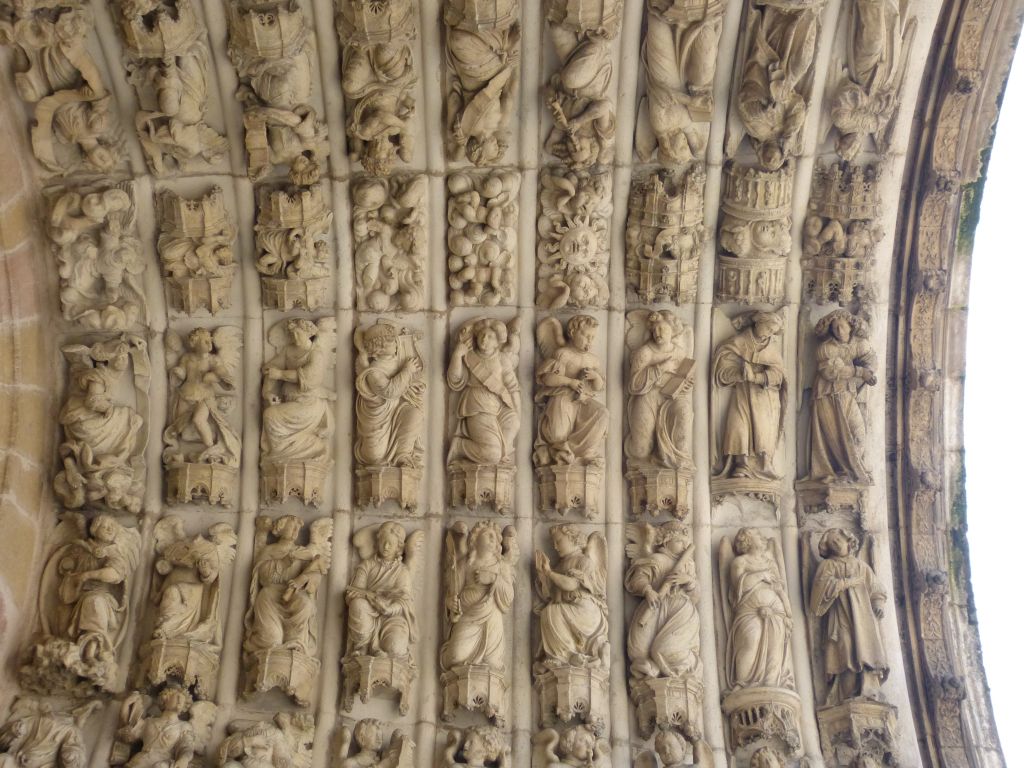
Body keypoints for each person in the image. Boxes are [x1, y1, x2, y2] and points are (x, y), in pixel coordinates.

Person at [809, 528, 888, 704]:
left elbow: (876, 588)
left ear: (848, 541)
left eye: (838, 539)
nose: (836, 543)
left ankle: (869, 690)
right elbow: (819, 591)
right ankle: (846, 694)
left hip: (863, 618)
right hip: (840, 618)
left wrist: (878, 604)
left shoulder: (861, 566)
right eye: (831, 542)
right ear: (827, 548)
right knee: (845, 651)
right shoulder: (828, 566)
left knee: (866, 650)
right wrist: (844, 583)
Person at [713, 311, 785, 480]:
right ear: (758, 323)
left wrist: (757, 377)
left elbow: (779, 376)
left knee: (764, 430)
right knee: (739, 426)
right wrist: (739, 373)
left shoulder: (772, 350)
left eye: (773, 332)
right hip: (742, 394)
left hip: (765, 398)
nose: (769, 334)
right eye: (768, 328)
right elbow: (721, 372)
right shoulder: (737, 343)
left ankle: (763, 464)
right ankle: (741, 463)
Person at [625, 522, 701, 680]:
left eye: (686, 543)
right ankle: (651, 671)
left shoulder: (688, 565)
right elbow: (637, 579)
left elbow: (695, 597)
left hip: (679, 608)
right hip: (655, 605)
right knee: (638, 649)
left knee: (669, 650)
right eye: (679, 541)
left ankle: (685, 668)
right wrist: (648, 591)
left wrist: (689, 581)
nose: (684, 546)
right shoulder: (657, 559)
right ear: (666, 542)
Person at [807, 310, 876, 483]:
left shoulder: (859, 344)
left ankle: (853, 471)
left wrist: (869, 372)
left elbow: (872, 360)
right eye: (835, 327)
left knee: (858, 434)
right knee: (836, 437)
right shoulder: (825, 349)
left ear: (850, 326)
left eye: (842, 326)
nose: (839, 331)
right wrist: (860, 372)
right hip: (826, 395)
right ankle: (843, 473)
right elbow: (830, 372)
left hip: (847, 392)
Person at [441, 522, 516, 672]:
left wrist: (493, 579)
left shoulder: (502, 566)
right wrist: (450, 604)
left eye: (495, 536)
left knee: (493, 663)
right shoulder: (466, 563)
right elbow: (454, 591)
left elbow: (508, 596)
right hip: (468, 615)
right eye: (488, 534)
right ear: (475, 539)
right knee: (454, 657)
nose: (492, 538)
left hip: (491, 616)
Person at [243, 516, 323, 658]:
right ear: (280, 529)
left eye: (298, 528)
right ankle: (268, 643)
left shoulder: (303, 552)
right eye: (291, 526)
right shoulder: (270, 550)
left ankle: (295, 640)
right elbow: (263, 577)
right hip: (271, 594)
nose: (295, 531)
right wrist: (285, 561)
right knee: (271, 640)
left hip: (295, 594)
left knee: (306, 603)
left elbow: (315, 576)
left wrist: (303, 580)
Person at [534, 315, 608, 467]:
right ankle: (561, 450)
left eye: (592, 337)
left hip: (583, 401)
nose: (589, 341)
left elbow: (599, 387)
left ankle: (582, 452)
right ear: (573, 333)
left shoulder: (593, 360)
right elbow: (546, 378)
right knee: (557, 434)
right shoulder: (563, 354)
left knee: (602, 413)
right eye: (586, 336)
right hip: (563, 397)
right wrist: (570, 382)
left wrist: (595, 377)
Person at [447, 318, 521, 468]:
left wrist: (516, 411)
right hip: (478, 404)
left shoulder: (502, 359)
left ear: (497, 342)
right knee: (491, 455)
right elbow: (455, 380)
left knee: (514, 422)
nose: (484, 339)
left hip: (499, 404)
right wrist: (457, 355)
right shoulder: (469, 357)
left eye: (490, 337)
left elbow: (512, 387)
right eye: (482, 335)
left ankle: (502, 453)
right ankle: (460, 446)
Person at [725, 528, 793, 689]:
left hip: (776, 610)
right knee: (750, 641)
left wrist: (788, 614)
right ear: (747, 540)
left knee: (775, 647)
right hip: (749, 610)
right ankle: (742, 684)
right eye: (757, 534)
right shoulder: (740, 562)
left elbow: (780, 589)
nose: (762, 537)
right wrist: (761, 575)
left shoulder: (770, 563)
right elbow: (740, 587)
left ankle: (771, 685)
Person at [625, 311, 694, 469]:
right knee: (640, 451)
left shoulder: (680, 353)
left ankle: (678, 461)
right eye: (654, 330)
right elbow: (634, 385)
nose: (657, 333)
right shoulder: (645, 353)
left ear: (672, 329)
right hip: (647, 397)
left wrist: (687, 385)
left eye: (662, 328)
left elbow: (684, 377)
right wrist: (660, 368)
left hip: (672, 398)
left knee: (684, 412)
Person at [535, 525, 609, 669]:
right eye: (553, 543)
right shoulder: (559, 566)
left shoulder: (583, 561)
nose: (555, 546)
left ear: (572, 538)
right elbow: (550, 595)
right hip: (568, 608)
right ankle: (565, 656)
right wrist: (543, 576)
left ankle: (567, 656)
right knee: (549, 612)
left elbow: (571, 585)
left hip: (585, 610)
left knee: (552, 612)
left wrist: (550, 573)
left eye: (558, 541)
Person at [261, 319, 334, 465]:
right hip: (291, 401)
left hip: (308, 403)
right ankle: (288, 451)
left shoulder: (315, 353)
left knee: (270, 415)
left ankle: (311, 445)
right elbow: (270, 369)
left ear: (308, 334)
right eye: (292, 334)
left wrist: (281, 374)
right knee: (270, 415)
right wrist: (267, 392)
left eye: (298, 334)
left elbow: (311, 378)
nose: (294, 337)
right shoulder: (288, 350)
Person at [354, 322, 424, 469]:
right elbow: (390, 391)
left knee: (415, 415)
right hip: (379, 421)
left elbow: (406, 383)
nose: (396, 344)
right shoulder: (373, 372)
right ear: (378, 349)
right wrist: (407, 371)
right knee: (374, 457)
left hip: (398, 411)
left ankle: (403, 454)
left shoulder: (398, 361)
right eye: (391, 342)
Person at [346, 522, 417, 660]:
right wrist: (361, 597)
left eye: (391, 543)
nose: (386, 546)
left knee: (395, 648)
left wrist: (389, 609)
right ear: (377, 541)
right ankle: (362, 646)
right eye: (383, 541)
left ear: (398, 547)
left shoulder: (402, 571)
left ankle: (387, 652)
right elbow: (355, 590)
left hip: (392, 616)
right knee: (357, 605)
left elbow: (405, 600)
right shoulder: (367, 565)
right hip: (369, 611)